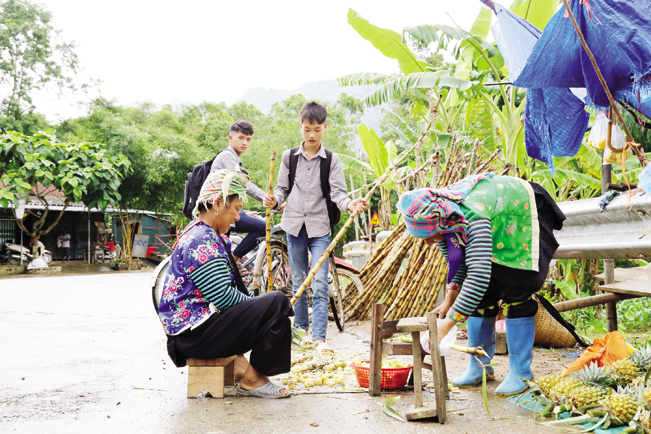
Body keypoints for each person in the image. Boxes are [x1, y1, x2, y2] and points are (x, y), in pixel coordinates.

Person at [397, 174, 565, 396]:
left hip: (520, 213)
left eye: (429, 235)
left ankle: (521, 373)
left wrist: (447, 324)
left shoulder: (471, 217)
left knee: (518, 289)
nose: (426, 242)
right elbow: (459, 265)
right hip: (495, 219)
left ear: (441, 223)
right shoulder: (445, 220)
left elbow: (478, 275)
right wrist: (449, 301)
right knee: (482, 298)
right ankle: (479, 367)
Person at [158, 169, 293, 398]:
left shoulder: (207, 234)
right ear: (218, 203)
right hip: (193, 338)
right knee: (277, 302)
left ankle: (246, 369)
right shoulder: (201, 239)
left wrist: (258, 308)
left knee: (274, 309)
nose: (238, 217)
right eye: (237, 209)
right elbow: (223, 297)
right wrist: (261, 307)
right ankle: (252, 380)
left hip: (196, 334)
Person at [263, 101, 368, 354]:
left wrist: (350, 204)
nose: (312, 135)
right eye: (307, 129)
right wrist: (275, 200)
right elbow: (281, 189)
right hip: (294, 227)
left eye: (317, 130)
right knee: (298, 280)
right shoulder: (289, 157)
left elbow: (339, 195)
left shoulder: (331, 160)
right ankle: (301, 333)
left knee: (319, 282)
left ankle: (320, 338)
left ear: (325, 128)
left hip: (320, 228)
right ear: (300, 126)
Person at [210, 120, 266, 267]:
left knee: (221, 260)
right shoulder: (227, 157)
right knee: (264, 227)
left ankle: (230, 261)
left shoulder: (233, 158)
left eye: (248, 139)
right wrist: (266, 198)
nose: (245, 143)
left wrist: (244, 212)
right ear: (230, 138)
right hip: (221, 213)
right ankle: (235, 258)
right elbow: (242, 183)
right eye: (240, 138)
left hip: (225, 210)